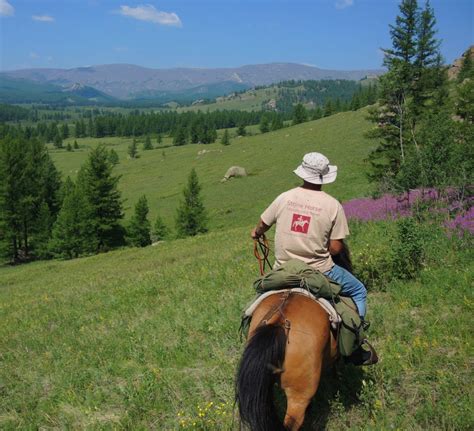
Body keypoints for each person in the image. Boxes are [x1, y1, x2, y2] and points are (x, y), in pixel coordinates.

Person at [251, 152, 377, 366]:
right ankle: (357, 342)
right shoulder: (332, 205)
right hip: (320, 270)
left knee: (256, 304)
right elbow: (336, 248)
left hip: (284, 268)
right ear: (323, 177)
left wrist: (256, 233)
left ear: (303, 173)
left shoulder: (284, 197)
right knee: (358, 291)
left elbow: (262, 224)